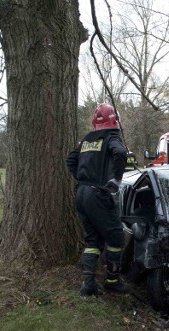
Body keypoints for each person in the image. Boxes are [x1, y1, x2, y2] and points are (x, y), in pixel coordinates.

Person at [66, 103, 130, 296]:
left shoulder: (86, 140)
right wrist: (115, 180)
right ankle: (112, 282)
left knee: (93, 240)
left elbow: (70, 160)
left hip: (82, 194)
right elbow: (120, 153)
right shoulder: (111, 137)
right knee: (116, 238)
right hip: (99, 194)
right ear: (114, 119)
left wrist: (84, 178)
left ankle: (89, 285)